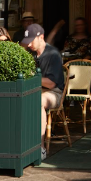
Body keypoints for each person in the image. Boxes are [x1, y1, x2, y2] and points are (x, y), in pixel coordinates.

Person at [20, 24, 65, 160]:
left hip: (54, 92)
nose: (28, 45)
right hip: (33, 91)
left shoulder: (53, 54)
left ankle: (40, 148)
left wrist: (31, 75)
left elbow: (51, 83)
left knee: (38, 101)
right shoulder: (30, 54)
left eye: (31, 41)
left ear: (41, 37)